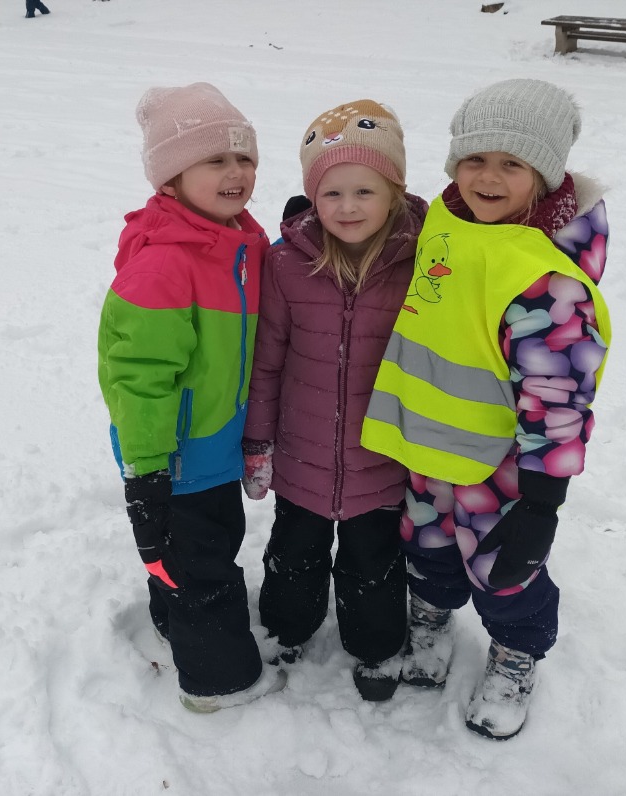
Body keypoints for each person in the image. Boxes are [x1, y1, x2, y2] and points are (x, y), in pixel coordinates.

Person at [361, 78, 612, 738]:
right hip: (425, 443)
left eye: (512, 164)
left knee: (504, 571)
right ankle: (430, 618)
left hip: (500, 465)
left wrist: (542, 502)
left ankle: (515, 654)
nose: (488, 178)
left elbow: (558, 395)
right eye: (474, 159)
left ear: (544, 174)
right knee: (425, 545)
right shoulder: (444, 219)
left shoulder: (546, 280)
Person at [97, 82, 284, 713]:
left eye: (244, 158)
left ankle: (169, 624)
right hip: (174, 454)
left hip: (211, 447)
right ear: (171, 179)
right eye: (214, 160)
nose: (236, 173)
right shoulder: (166, 264)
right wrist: (148, 469)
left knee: (189, 554)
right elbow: (139, 378)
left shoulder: (235, 243)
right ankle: (219, 682)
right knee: (204, 569)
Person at [241, 100, 427, 702]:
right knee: (293, 553)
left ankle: (376, 647)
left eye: (364, 191)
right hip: (302, 454)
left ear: (395, 192)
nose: (348, 207)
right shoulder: (285, 264)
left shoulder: (422, 265)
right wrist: (259, 440)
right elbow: (267, 361)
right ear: (312, 198)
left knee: (374, 561)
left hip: (382, 454)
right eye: (332, 194)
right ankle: (286, 629)